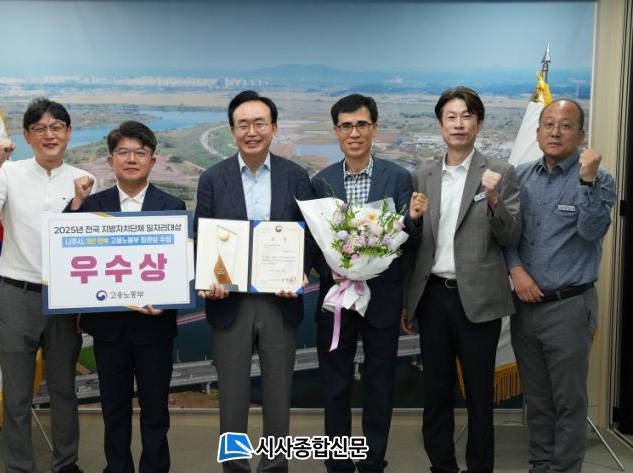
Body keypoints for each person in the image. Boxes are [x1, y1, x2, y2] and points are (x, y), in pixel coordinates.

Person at [0, 98, 95, 473]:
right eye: (39, 128)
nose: (48, 135)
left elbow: (87, 244)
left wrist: (79, 203)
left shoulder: (85, 179)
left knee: (63, 390)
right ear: (26, 136)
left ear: (68, 133)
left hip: (64, 298)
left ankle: (66, 464)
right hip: (15, 295)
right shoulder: (8, 173)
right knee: (17, 393)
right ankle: (19, 467)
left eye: (56, 127)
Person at [401, 86, 521, 473]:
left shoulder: (500, 173)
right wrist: (409, 301)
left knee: (480, 397)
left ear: (479, 123)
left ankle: (479, 467)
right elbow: (413, 246)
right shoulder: (422, 175)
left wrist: (494, 200)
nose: (458, 124)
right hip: (433, 297)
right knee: (435, 392)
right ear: (440, 125)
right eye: (450, 117)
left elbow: (511, 236)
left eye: (466, 116)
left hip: (479, 300)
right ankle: (442, 466)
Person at [194, 90, 313, 473]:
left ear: (274, 128)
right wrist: (209, 279)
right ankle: (235, 467)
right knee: (232, 397)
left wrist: (299, 272)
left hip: (280, 302)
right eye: (243, 124)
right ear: (232, 131)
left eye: (259, 123)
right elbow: (203, 236)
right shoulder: (213, 179)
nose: (251, 131)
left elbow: (309, 238)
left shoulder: (296, 176)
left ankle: (275, 466)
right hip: (230, 303)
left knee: (278, 395)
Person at [311, 93, 427, 473]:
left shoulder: (398, 177)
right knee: (335, 387)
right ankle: (339, 464)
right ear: (336, 131)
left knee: (379, 386)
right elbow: (314, 243)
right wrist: (335, 270)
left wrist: (413, 222)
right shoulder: (321, 181)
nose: (354, 133)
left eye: (362, 124)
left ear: (374, 128)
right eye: (346, 126)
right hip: (336, 300)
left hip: (383, 300)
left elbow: (408, 240)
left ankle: (373, 462)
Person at [66, 121, 185, 473]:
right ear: (110, 160)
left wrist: (167, 298)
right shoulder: (91, 205)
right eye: (123, 152)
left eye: (140, 153)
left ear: (152, 160)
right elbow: (68, 251)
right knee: (114, 408)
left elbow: (181, 266)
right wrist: (75, 204)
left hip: (155, 327)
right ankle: (117, 468)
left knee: (155, 410)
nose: (131, 159)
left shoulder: (171, 205)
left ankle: (154, 468)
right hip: (109, 329)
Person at [506, 99, 615, 473]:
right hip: (524, 306)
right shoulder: (521, 175)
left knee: (568, 401)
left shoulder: (600, 178)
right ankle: (540, 466)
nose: (555, 132)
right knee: (537, 400)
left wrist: (586, 181)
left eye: (565, 126)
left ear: (580, 135)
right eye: (548, 124)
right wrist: (515, 269)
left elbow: (591, 231)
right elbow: (507, 233)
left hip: (569, 306)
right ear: (537, 132)